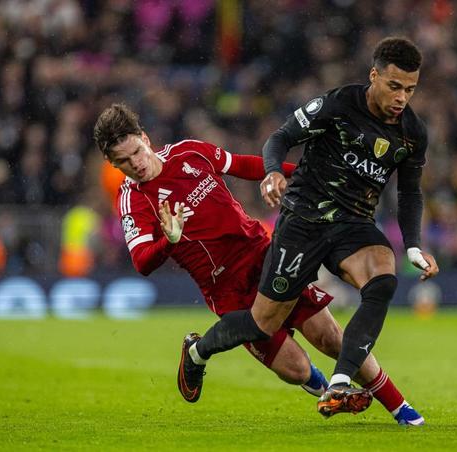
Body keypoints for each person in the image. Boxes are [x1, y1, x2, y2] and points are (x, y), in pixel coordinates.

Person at [93, 103, 422, 425]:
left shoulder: (189, 153)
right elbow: (142, 262)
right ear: (111, 163)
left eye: (136, 152)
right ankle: (321, 388)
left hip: (264, 255)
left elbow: (242, 166)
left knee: (330, 337)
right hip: (226, 287)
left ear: (146, 138)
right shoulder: (132, 201)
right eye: (123, 161)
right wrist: (170, 240)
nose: (135, 164)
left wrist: (301, 174)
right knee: (296, 370)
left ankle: (403, 411)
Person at [182, 36, 438, 421]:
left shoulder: (412, 133)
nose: (402, 97)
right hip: (303, 221)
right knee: (262, 323)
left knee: (383, 279)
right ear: (374, 76)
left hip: (352, 224)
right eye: (394, 86)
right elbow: (280, 138)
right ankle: (198, 352)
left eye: (410, 89)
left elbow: (410, 192)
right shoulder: (337, 104)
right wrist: (272, 172)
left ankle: (340, 382)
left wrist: (414, 246)